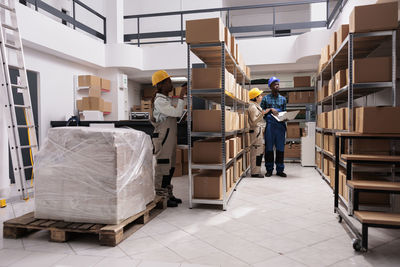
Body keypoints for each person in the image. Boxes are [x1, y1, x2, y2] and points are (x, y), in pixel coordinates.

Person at [151, 70, 187, 207]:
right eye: (168, 81)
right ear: (161, 84)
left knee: (171, 167)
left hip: (169, 137)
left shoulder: (165, 100)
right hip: (163, 138)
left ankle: (168, 194)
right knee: (163, 166)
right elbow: (177, 112)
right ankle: (160, 196)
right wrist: (182, 94)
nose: (171, 84)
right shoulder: (159, 101)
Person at [260, 76, 287, 177]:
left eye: (278, 84)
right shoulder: (266, 98)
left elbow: (284, 111)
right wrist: (271, 109)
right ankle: (269, 169)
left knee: (280, 149)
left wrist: (286, 116)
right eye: (275, 84)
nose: (277, 86)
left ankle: (280, 170)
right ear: (270, 86)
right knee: (269, 149)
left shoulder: (283, 99)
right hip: (270, 126)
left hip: (280, 126)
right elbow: (261, 112)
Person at [247, 88, 268, 178]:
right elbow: (254, 121)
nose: (261, 97)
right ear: (255, 97)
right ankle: (255, 172)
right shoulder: (253, 107)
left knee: (258, 152)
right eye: (259, 95)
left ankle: (257, 171)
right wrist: (262, 114)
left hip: (258, 132)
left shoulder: (255, 106)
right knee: (256, 152)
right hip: (256, 133)